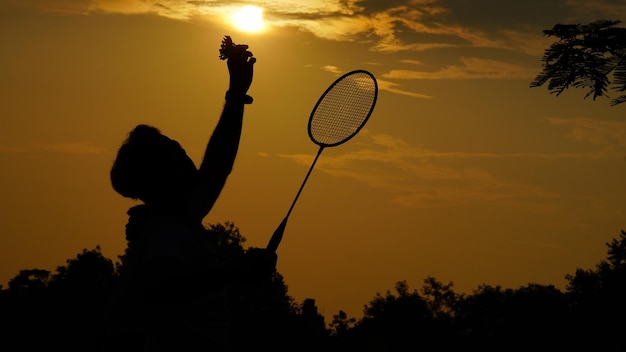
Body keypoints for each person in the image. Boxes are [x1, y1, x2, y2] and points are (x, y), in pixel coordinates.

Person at [103, 40, 277, 352]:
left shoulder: (175, 220)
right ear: (164, 177)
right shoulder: (164, 234)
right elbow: (164, 286)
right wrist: (236, 271)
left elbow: (217, 166)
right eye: (179, 153)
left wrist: (237, 92)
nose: (190, 161)